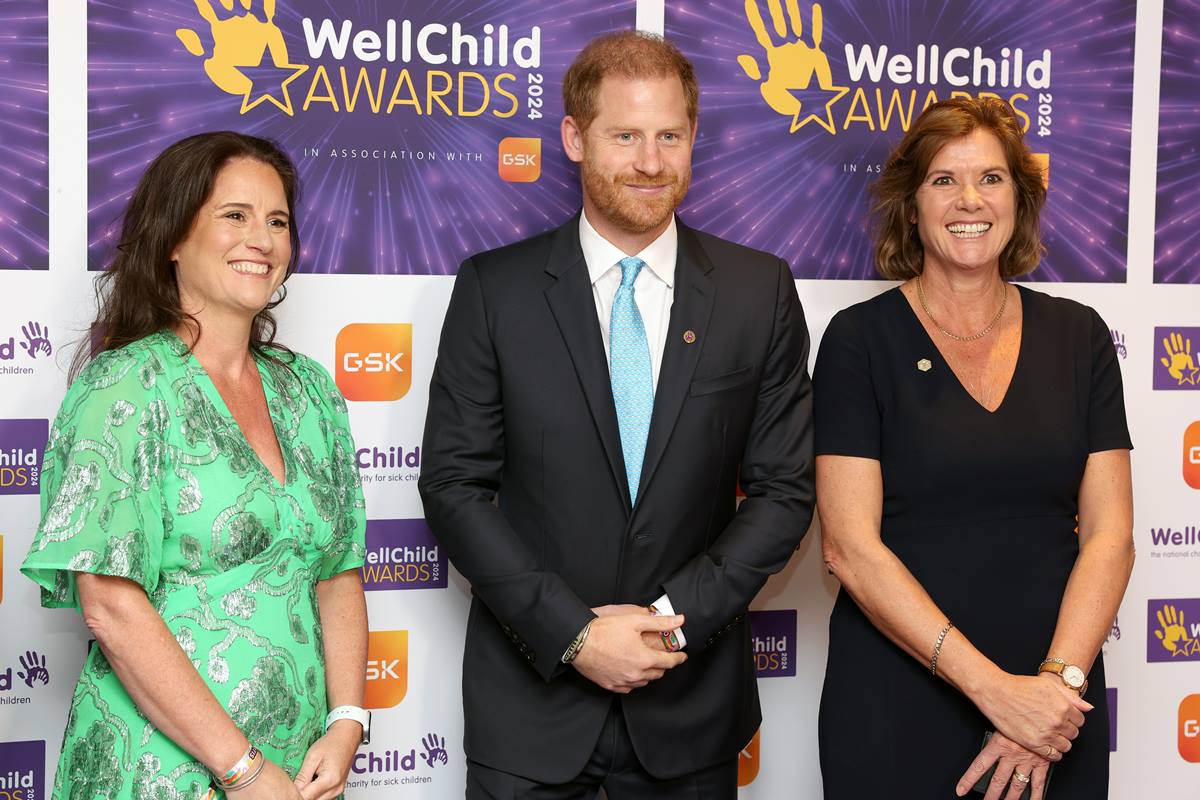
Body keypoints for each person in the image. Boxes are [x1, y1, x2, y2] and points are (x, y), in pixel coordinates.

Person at [419, 30, 814, 799]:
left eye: (670, 135)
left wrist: (672, 622)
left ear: (694, 138)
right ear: (574, 137)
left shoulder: (756, 292)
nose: (650, 161)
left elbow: (785, 491)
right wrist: (574, 633)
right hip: (529, 719)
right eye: (625, 135)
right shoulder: (494, 291)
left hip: (688, 713)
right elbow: (454, 488)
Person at [21, 132, 368, 800]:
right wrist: (241, 769)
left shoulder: (311, 392)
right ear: (174, 238)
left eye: (277, 221)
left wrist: (347, 720)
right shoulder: (125, 391)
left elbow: (338, 568)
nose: (260, 239)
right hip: (160, 767)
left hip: (296, 772)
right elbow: (111, 607)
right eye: (234, 215)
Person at [814, 96, 1134, 800]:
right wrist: (996, 694)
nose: (970, 200)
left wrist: (1052, 693)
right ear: (912, 203)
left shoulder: (1079, 338)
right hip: (897, 703)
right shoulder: (858, 342)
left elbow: (1111, 536)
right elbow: (848, 548)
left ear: (1019, 199)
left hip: (1057, 710)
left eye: (992, 179)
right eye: (944, 180)